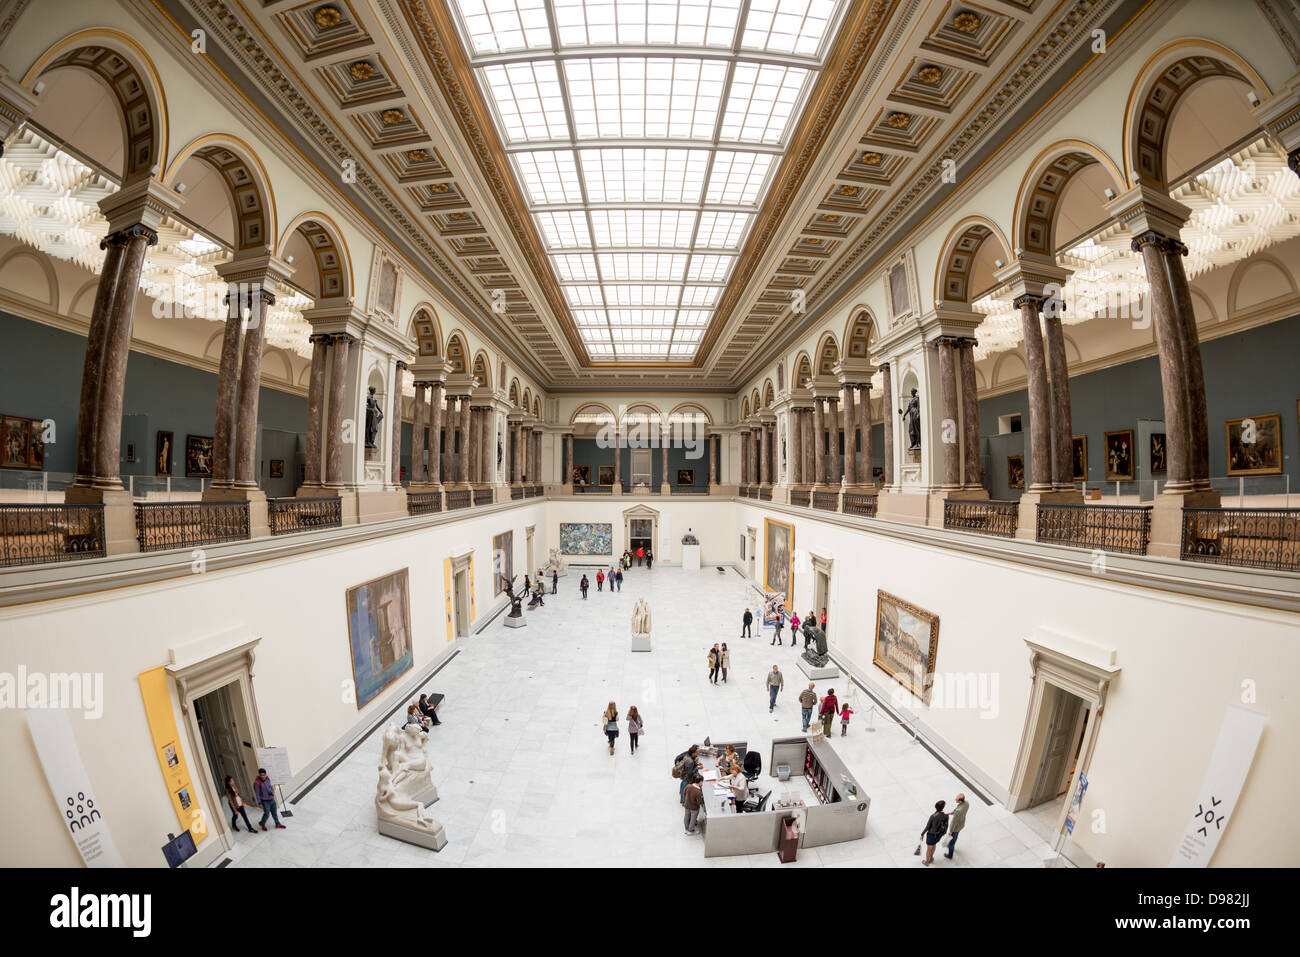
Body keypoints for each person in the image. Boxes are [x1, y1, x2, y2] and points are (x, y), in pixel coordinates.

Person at [921, 799, 948, 865]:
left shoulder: (933, 816)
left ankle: (927, 862)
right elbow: (946, 825)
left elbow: (927, 827)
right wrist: (943, 833)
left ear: (935, 807)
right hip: (939, 835)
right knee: (934, 845)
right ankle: (931, 858)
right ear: (943, 807)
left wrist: (922, 834)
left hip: (931, 835)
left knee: (929, 848)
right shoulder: (946, 816)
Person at [945, 793, 969, 859]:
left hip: (955, 827)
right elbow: (959, 811)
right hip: (961, 824)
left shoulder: (958, 811)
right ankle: (952, 843)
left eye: (957, 799)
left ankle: (950, 855)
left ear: (960, 801)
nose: (955, 799)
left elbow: (954, 823)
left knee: (952, 841)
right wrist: (952, 813)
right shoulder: (966, 803)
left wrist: (951, 831)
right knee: (956, 836)